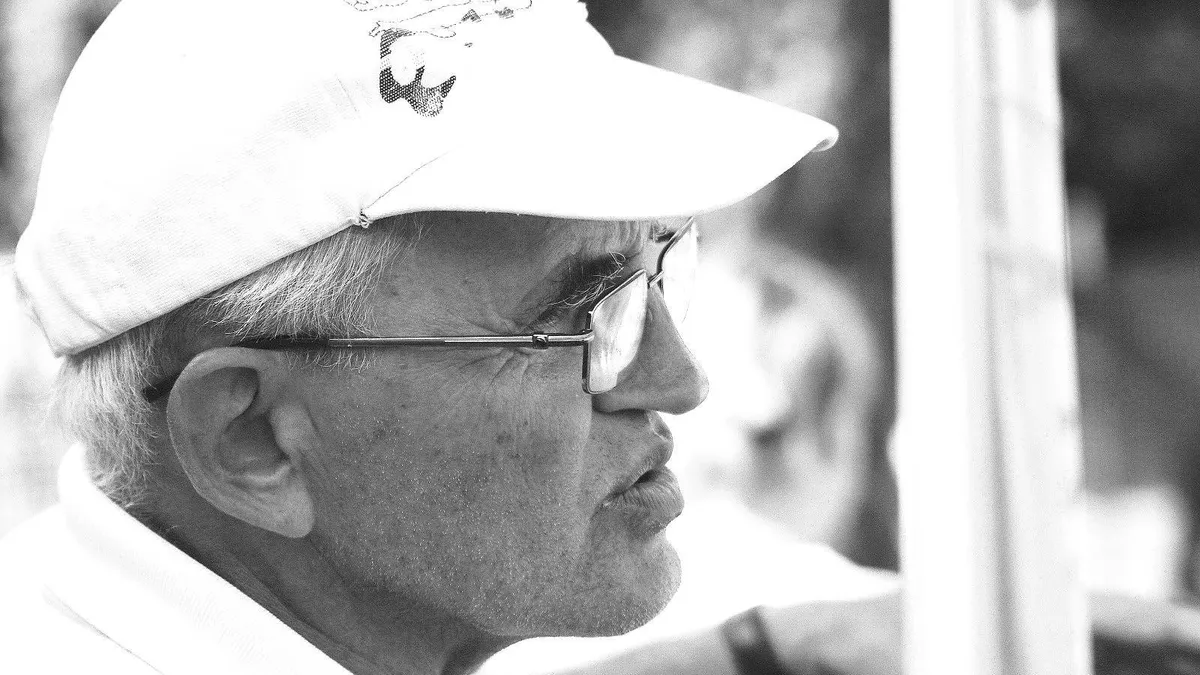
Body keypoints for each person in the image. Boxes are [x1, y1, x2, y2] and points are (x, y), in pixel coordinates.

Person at [2, 1, 1200, 675]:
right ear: (253, 437)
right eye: (583, 316)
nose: (683, 378)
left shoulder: (380, 596)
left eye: (655, 275)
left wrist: (764, 650)